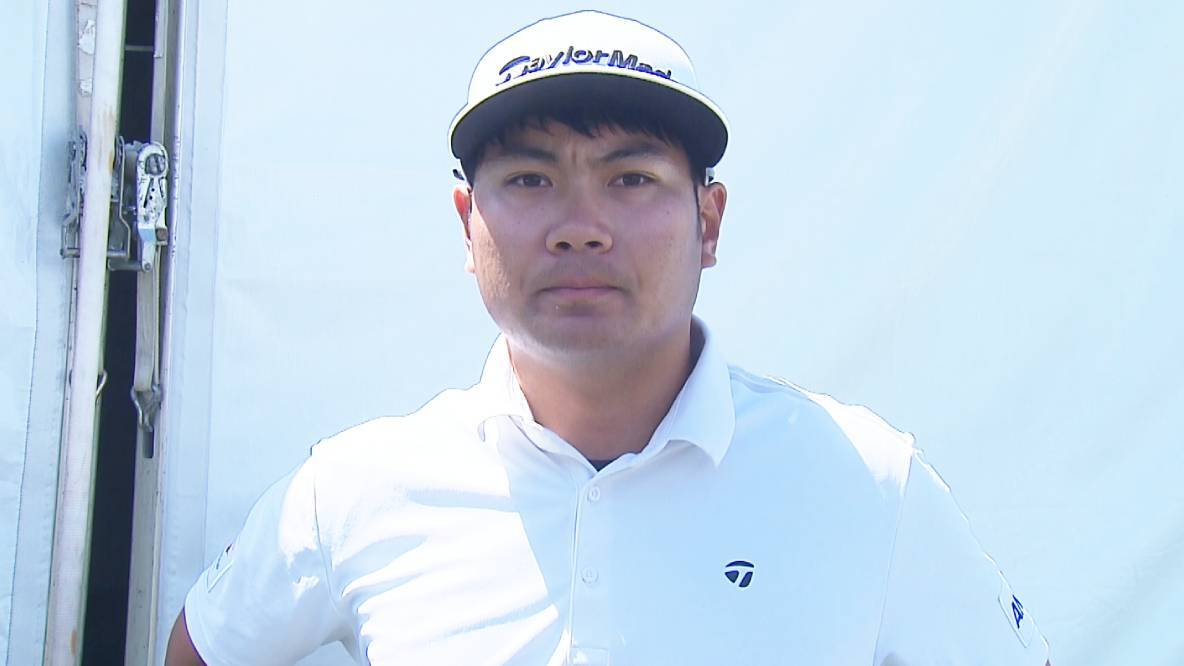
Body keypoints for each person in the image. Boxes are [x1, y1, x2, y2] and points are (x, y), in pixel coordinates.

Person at [166, 10, 1051, 665]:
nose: (581, 227)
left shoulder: (867, 483)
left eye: (631, 178)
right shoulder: (356, 489)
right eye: (530, 178)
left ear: (709, 221)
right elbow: (203, 648)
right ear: (467, 223)